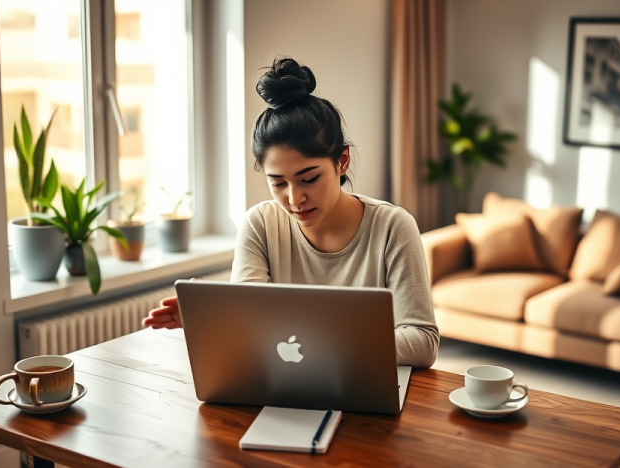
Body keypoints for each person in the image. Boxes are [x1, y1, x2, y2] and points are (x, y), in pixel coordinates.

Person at [142, 57, 439, 368]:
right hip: (283, 382)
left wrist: (308, 336)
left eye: (309, 178)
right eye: (278, 182)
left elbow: (421, 342)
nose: (295, 198)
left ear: (343, 161)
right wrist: (217, 317)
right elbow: (250, 322)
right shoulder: (260, 224)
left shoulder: (393, 227)